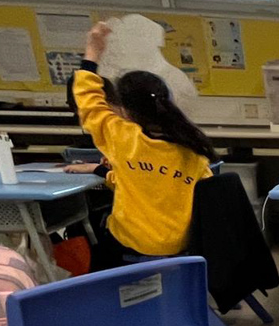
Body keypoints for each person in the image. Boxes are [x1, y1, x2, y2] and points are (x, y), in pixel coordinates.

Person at [69, 22, 216, 269]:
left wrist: (92, 53)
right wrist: (101, 171)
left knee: (95, 230)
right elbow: (152, 183)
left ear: (125, 110)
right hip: (180, 248)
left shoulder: (123, 137)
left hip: (131, 245)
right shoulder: (194, 151)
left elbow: (88, 101)